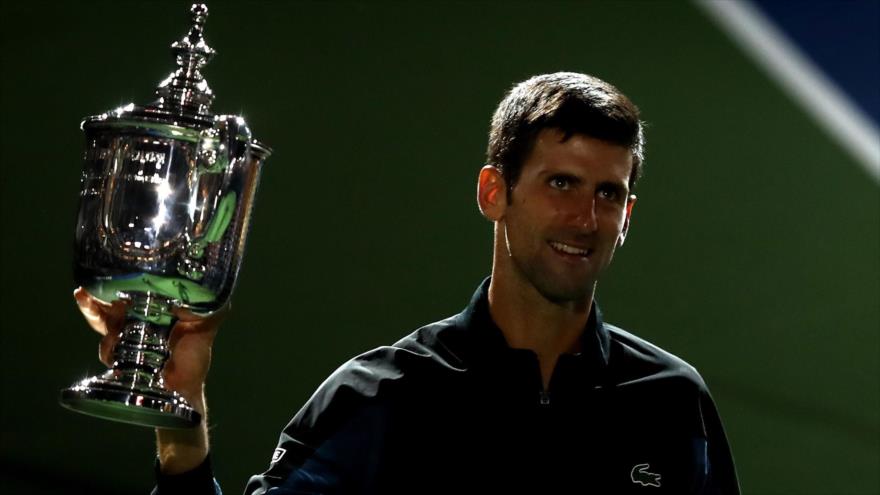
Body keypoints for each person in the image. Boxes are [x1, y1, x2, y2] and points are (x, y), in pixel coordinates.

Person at [76, 72, 740, 494]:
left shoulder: (675, 405)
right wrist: (182, 422)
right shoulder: (380, 398)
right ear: (493, 192)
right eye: (560, 183)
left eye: (608, 193)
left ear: (628, 216)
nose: (584, 218)